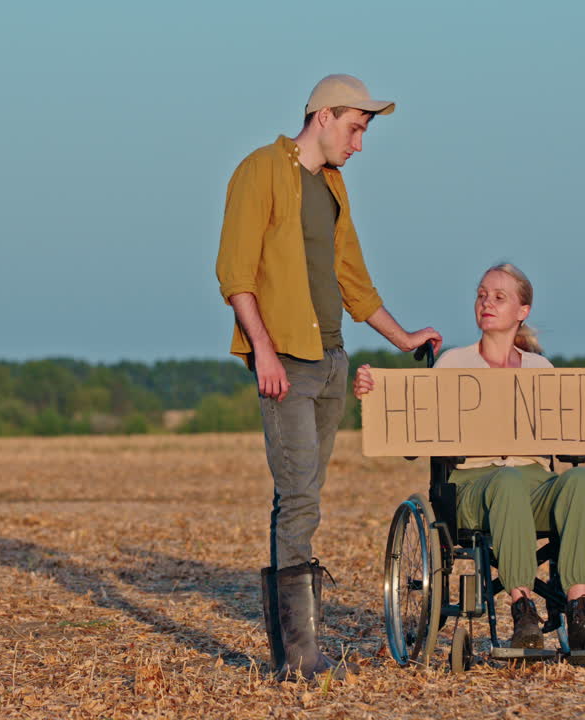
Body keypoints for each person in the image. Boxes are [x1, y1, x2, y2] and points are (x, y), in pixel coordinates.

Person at [215, 74, 442, 681]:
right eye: (356, 128)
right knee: (300, 499)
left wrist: (404, 338)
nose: (359, 144)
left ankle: (290, 650)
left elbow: (354, 280)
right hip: (285, 361)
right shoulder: (259, 170)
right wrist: (262, 350)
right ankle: (300, 657)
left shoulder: (333, 186)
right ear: (324, 115)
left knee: (301, 493)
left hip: (332, 360)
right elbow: (234, 272)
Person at [353, 263, 585, 650]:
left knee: (580, 480)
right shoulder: (452, 364)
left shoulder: (540, 370)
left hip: (535, 483)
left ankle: (580, 610)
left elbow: (575, 434)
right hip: (473, 487)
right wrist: (376, 394)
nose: (485, 302)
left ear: (522, 311)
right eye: (481, 294)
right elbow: (414, 435)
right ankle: (523, 608)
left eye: (498, 296)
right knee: (506, 481)